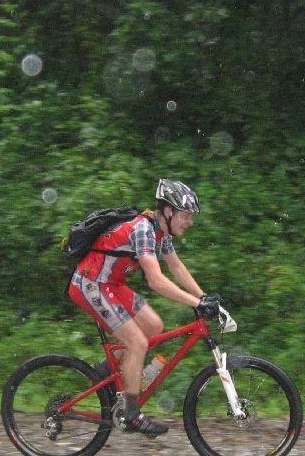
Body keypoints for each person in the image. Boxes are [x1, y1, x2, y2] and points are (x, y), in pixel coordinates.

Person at [67, 179, 222, 436]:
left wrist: (204, 296)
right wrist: (196, 303)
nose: (190, 222)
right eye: (185, 215)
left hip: (111, 284)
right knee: (138, 343)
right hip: (90, 283)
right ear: (168, 211)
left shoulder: (161, 232)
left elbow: (176, 267)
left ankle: (103, 376)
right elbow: (156, 281)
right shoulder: (143, 229)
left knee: (154, 326)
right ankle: (131, 414)